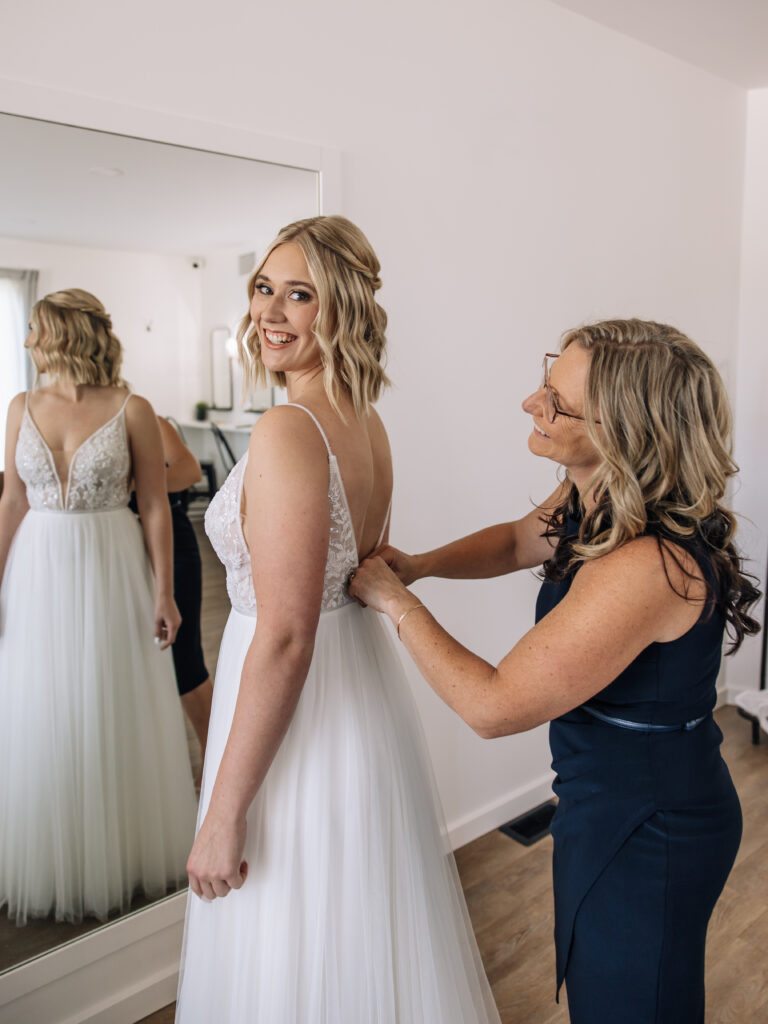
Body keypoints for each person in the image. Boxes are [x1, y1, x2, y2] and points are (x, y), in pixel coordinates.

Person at [350, 319, 760, 1024]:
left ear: (628, 432)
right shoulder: (591, 498)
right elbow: (515, 541)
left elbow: (493, 705)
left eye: (557, 403)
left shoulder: (648, 566)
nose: (530, 405)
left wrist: (398, 603)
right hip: (603, 796)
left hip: (651, 822)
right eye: (545, 385)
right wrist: (420, 564)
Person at [175, 216, 499, 1023]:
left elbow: (285, 634)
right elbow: (362, 567)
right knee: (345, 927)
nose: (271, 313)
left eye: (299, 295)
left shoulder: (291, 429)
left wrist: (222, 812)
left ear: (341, 309)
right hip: (351, 691)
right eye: (263, 288)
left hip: (298, 703)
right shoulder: (365, 420)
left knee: (286, 929)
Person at [0, 288, 197, 926]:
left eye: (35, 330)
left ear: (62, 334)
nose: (28, 341)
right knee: (39, 701)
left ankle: (118, 851)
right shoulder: (19, 406)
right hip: (35, 567)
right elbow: (11, 501)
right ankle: (47, 849)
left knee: (105, 698)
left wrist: (163, 590)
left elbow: (156, 504)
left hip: (111, 564)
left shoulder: (131, 409)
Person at [130, 416, 214, 785]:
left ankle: (214, 759)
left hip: (173, 546)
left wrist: (139, 485)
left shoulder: (152, 422)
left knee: (185, 658)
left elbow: (190, 470)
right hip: (119, 550)